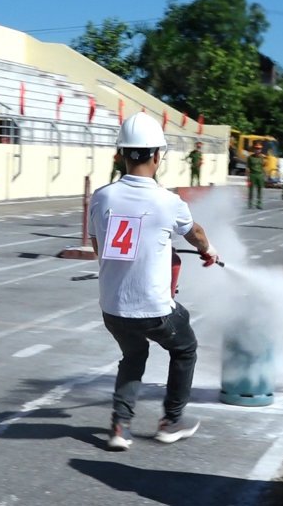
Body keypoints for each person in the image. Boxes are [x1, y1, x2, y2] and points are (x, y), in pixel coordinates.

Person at [87, 112, 220, 452]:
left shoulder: (101, 198)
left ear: (122, 154)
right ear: (157, 156)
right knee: (185, 347)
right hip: (152, 309)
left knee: (133, 354)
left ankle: (120, 426)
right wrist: (209, 250)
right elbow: (197, 234)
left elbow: (98, 247)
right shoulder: (168, 202)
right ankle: (171, 421)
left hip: (112, 308)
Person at [246, 141, 266, 209]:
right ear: (254, 149)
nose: (258, 150)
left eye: (259, 149)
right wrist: (247, 177)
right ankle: (250, 203)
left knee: (260, 190)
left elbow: (263, 167)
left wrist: (265, 175)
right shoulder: (250, 157)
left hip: (260, 175)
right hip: (252, 174)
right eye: (256, 148)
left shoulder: (262, 157)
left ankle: (259, 204)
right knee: (251, 190)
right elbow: (248, 168)